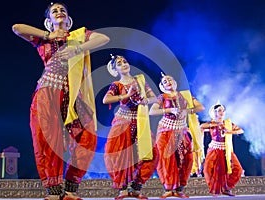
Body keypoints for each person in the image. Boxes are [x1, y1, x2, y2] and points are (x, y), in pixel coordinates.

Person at [12, 2, 110, 200]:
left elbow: (104, 38)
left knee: (87, 138)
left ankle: (72, 188)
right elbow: (17, 28)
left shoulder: (78, 36)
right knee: (48, 140)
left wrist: (77, 49)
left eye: (62, 10)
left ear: (68, 19)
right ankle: (54, 190)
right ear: (49, 21)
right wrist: (48, 35)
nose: (59, 12)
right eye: (54, 11)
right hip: (48, 93)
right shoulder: (43, 41)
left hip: (75, 96)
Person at [102, 55, 159, 200]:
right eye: (119, 64)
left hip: (140, 121)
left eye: (125, 62)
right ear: (115, 70)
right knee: (119, 155)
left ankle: (136, 188)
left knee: (150, 153)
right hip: (123, 121)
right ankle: (122, 189)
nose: (124, 64)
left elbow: (154, 98)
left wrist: (146, 99)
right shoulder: (116, 85)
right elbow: (106, 99)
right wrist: (125, 95)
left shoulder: (140, 81)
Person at [149, 73, 204, 198]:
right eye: (164, 81)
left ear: (174, 82)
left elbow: (201, 107)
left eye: (169, 79)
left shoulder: (185, 95)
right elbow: (152, 111)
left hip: (181, 130)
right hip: (166, 130)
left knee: (186, 159)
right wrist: (168, 110)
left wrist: (187, 110)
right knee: (166, 159)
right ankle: (169, 188)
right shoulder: (162, 97)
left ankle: (179, 189)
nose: (167, 81)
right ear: (162, 86)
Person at [200, 104, 243, 197]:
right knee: (208, 170)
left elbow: (240, 130)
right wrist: (215, 124)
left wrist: (230, 132)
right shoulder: (211, 124)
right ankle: (215, 189)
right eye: (219, 110)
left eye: (223, 110)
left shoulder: (228, 124)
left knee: (237, 169)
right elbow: (202, 126)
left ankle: (226, 188)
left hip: (226, 150)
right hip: (214, 149)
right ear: (214, 112)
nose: (221, 112)